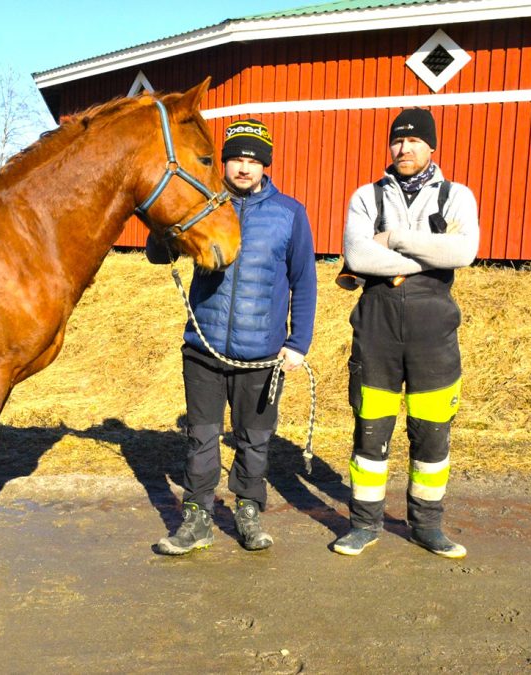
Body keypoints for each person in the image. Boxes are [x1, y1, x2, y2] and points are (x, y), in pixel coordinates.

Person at [146, 118, 317, 555]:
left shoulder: (289, 214)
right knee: (201, 438)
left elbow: (304, 280)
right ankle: (197, 518)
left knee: (253, 439)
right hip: (204, 349)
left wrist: (297, 344)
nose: (243, 167)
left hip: (261, 355)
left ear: (265, 166)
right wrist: (164, 226)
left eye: (252, 160)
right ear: (224, 162)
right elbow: (156, 253)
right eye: (236, 158)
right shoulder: (203, 205)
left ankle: (247, 509)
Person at [331, 108, 479, 558]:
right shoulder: (365, 197)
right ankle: (364, 524)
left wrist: (393, 239)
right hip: (376, 330)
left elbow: (464, 250)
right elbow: (357, 256)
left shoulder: (456, 196)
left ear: (431, 147)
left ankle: (427, 526)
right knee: (370, 431)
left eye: (414, 141)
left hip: (433, 332)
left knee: (432, 434)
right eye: (397, 141)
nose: (404, 148)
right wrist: (431, 256)